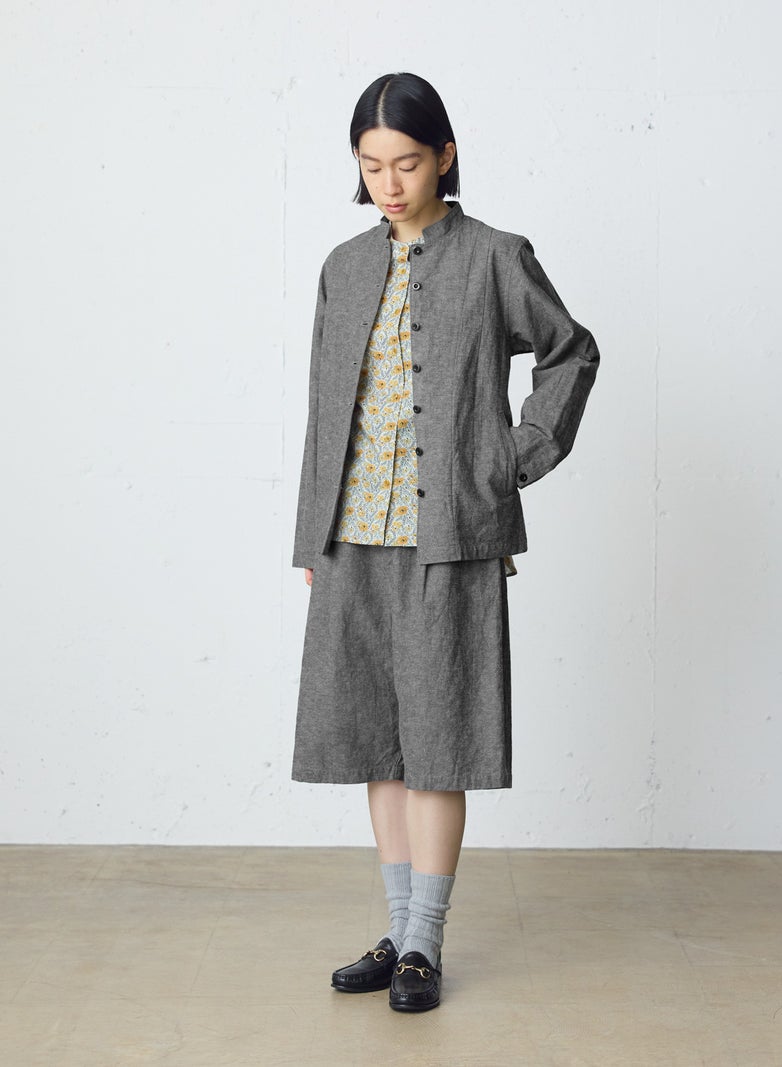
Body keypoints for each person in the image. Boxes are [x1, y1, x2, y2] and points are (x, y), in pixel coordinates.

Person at [291, 71, 600, 1012]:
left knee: (437, 738)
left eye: (408, 163)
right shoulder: (344, 266)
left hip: (451, 534)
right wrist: (310, 539)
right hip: (351, 533)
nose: (388, 183)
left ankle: (425, 941)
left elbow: (571, 352)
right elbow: (323, 411)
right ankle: (396, 931)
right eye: (371, 164)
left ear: (445, 157)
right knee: (373, 739)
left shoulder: (497, 256)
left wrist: (510, 459)